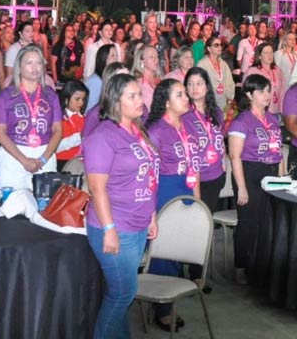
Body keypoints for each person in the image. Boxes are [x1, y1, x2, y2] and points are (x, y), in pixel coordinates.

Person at [84, 73, 159, 339]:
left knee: (121, 294)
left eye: (140, 94)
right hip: (116, 225)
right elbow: (96, 188)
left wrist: (151, 215)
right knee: (122, 294)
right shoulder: (102, 136)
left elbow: (149, 175)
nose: (141, 100)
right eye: (133, 96)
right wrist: (109, 228)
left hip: (138, 224)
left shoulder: (137, 130)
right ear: (116, 101)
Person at [144, 79, 196, 330]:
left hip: (185, 188)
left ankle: (168, 296)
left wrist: (195, 199)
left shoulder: (186, 125)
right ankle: (161, 307)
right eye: (180, 94)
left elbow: (193, 164)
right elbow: (149, 174)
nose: (186, 98)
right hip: (165, 190)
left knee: (178, 247)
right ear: (166, 102)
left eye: (185, 94)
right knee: (163, 250)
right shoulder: (156, 130)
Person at [228, 74, 283, 284]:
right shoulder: (242, 121)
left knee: (267, 220)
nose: (267, 95)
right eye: (261, 91)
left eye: (268, 90)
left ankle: (261, 263)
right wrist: (241, 187)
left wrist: (282, 179)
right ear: (250, 95)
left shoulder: (272, 119)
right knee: (249, 221)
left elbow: (278, 152)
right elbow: (235, 156)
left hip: (270, 171)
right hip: (249, 173)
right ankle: (242, 265)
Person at [0, 46, 62, 191]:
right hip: (14, 155)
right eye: (29, 63)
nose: (35, 67)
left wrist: (43, 158)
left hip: (44, 155)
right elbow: (0, 133)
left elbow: (58, 130)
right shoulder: (6, 96)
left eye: (38, 62)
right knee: (11, 207)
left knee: (44, 208)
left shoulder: (50, 94)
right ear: (19, 66)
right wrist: (24, 160)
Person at [181, 68, 226, 218]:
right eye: (190, 84)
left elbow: (220, 139)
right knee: (198, 221)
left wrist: (223, 163)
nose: (194, 88)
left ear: (207, 87)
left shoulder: (216, 112)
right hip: (198, 178)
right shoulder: (183, 115)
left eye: (199, 83)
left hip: (216, 174)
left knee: (208, 219)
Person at [243, 42, 282, 115]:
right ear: (259, 56)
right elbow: (247, 93)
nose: (269, 55)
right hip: (259, 111)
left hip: (277, 110)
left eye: (271, 52)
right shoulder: (252, 71)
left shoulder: (278, 70)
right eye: (266, 53)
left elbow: (283, 91)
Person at [196, 38, 234, 111]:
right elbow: (199, 84)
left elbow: (230, 83)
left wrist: (230, 98)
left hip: (224, 103)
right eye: (216, 45)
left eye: (221, 45)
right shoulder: (202, 64)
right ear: (209, 49)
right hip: (209, 104)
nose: (220, 47)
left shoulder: (224, 64)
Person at [55, 81, 88, 165]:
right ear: (66, 99)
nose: (81, 103)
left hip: (82, 162)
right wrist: (78, 137)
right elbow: (55, 147)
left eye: (83, 99)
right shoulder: (57, 119)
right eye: (77, 99)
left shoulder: (84, 118)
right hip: (63, 163)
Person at [3, 21, 35, 88]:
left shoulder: (36, 48)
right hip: (18, 85)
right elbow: (9, 73)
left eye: (32, 31)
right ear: (20, 33)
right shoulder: (13, 49)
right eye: (27, 31)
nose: (31, 33)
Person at [130, 45, 163, 111]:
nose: (156, 59)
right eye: (151, 57)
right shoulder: (137, 83)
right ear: (142, 61)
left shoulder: (161, 80)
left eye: (157, 56)